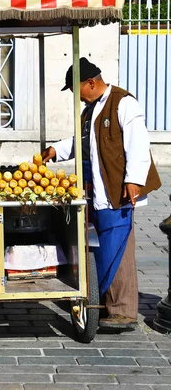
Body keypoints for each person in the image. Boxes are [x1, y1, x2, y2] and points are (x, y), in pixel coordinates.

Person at [42, 57, 161, 331]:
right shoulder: (89, 110)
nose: (76, 97)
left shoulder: (123, 103)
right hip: (94, 190)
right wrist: (56, 151)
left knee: (118, 248)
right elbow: (81, 141)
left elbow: (139, 145)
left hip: (117, 191)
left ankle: (122, 311)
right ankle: (103, 301)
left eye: (76, 90)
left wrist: (133, 181)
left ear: (90, 83)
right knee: (101, 247)